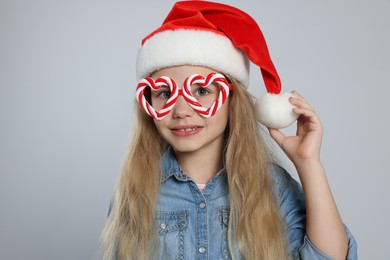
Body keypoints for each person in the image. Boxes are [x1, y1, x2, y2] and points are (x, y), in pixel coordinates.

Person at [101, 1, 357, 259]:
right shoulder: (136, 190)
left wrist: (308, 163)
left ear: (232, 102)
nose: (181, 110)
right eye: (164, 93)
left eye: (201, 91)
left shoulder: (270, 186)